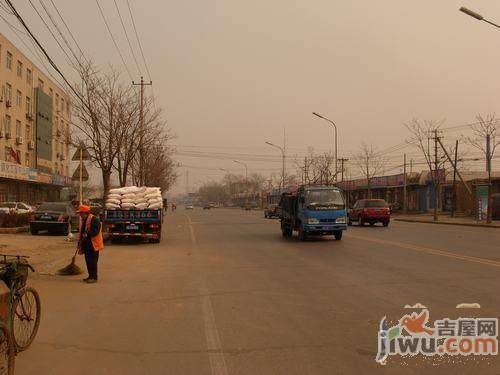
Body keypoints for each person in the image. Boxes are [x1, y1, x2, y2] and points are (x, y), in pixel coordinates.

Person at [77, 205, 104, 283]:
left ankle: (94, 278)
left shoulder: (94, 219)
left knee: (93, 262)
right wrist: (79, 242)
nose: (80, 215)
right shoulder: (85, 220)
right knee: (88, 261)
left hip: (93, 245)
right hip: (87, 245)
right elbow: (82, 232)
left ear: (85, 213)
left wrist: (88, 233)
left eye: (81, 213)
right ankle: (90, 276)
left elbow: (96, 231)